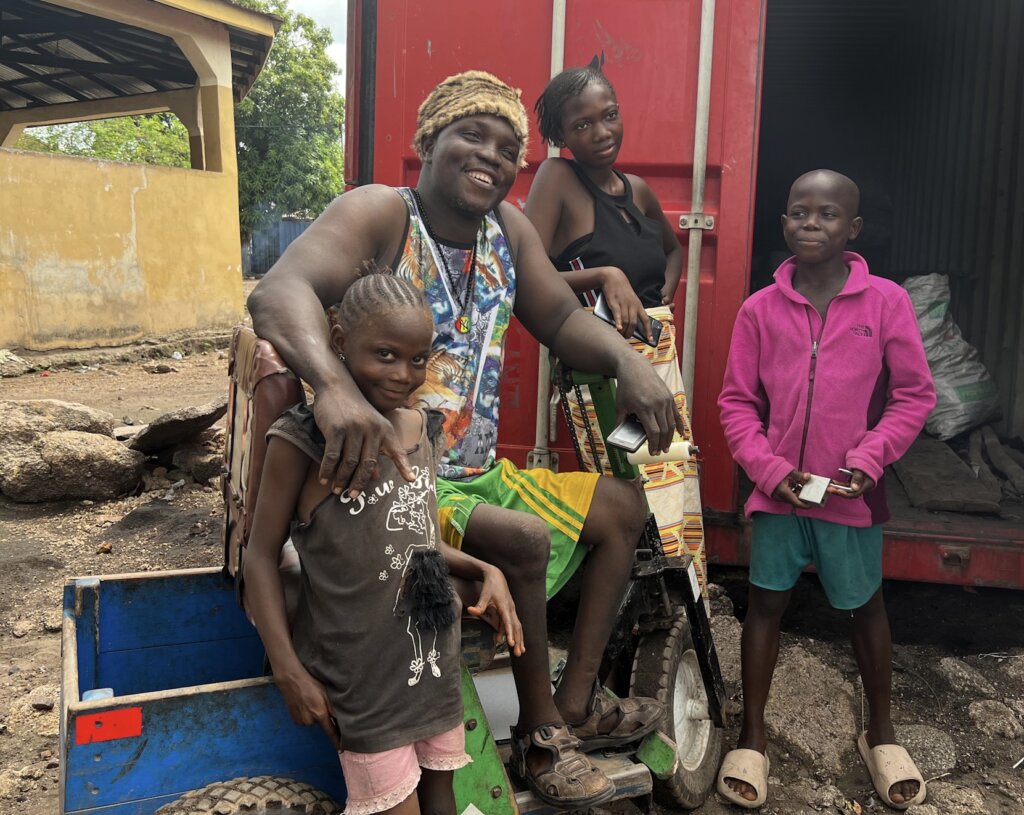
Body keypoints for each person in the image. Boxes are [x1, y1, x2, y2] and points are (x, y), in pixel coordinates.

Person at [248, 71, 682, 808]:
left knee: (620, 509)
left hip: (470, 473)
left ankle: (574, 699)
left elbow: (558, 316)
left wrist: (627, 358)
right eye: (470, 135)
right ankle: (543, 735)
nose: (491, 154)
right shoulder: (383, 213)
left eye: (509, 146)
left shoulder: (507, 231)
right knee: (525, 538)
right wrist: (335, 387)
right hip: (393, 482)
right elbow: (277, 292)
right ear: (428, 143)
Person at [244, 269, 524, 815]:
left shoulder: (421, 429)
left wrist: (487, 569)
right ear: (340, 342)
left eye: (417, 359)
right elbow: (259, 557)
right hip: (361, 677)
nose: (402, 374)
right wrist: (288, 670)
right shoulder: (301, 441)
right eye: (385, 355)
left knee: (442, 793)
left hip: (428, 663)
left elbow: (415, 537)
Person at [716, 170, 936, 810]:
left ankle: (881, 733)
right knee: (765, 606)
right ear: (782, 223)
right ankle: (752, 737)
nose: (811, 224)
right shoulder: (759, 309)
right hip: (779, 493)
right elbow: (736, 403)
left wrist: (871, 458)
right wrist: (767, 467)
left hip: (850, 495)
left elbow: (914, 395)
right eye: (798, 213)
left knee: (864, 607)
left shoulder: (886, 303)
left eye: (827, 215)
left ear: (854, 228)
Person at [524, 62, 706, 588]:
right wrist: (605, 276)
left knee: (675, 492)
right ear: (560, 136)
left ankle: (679, 613)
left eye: (609, 116)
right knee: (627, 503)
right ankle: (626, 630)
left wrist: (664, 296)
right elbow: (524, 272)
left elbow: (673, 252)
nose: (601, 133)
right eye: (582, 125)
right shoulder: (557, 178)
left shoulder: (638, 189)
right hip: (599, 375)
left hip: (657, 363)